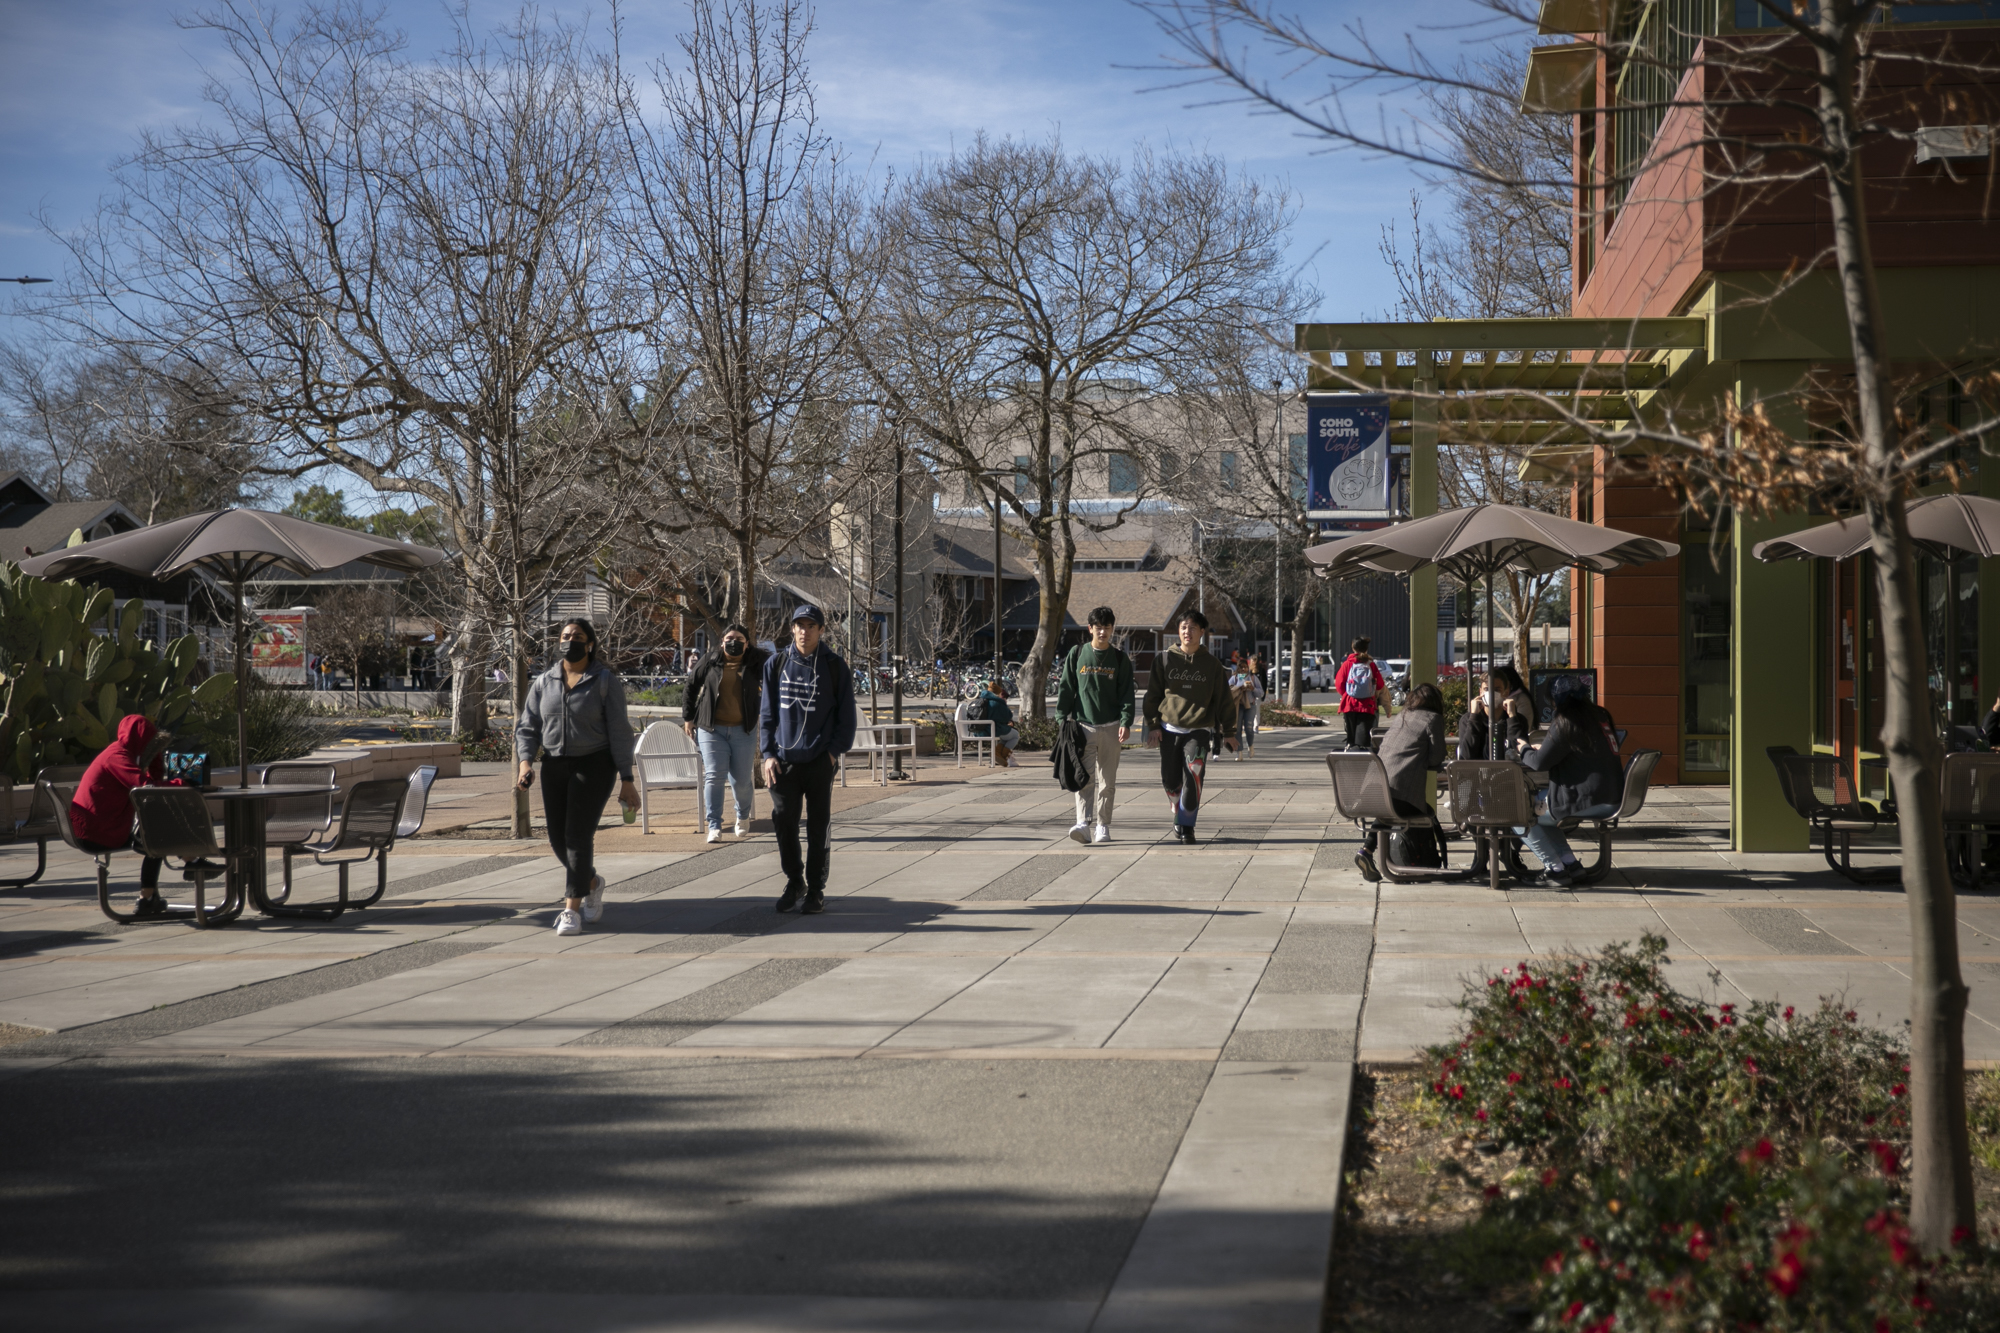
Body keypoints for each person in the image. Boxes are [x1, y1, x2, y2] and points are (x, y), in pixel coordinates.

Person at [516, 619, 638, 937]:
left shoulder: (604, 681)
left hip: (595, 764)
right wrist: (525, 763)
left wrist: (627, 778)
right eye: (566, 636)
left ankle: (571, 911)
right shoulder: (544, 682)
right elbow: (527, 727)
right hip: (554, 764)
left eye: (578, 636)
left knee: (577, 835)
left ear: (590, 644)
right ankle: (591, 882)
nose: (570, 640)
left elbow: (620, 732)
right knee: (557, 839)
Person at [761, 604, 859, 914]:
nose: (805, 631)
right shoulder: (776, 664)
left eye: (811, 626)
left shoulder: (834, 665)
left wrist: (832, 752)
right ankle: (795, 881)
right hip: (783, 761)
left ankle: (816, 889)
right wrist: (768, 754)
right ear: (792, 629)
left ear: (821, 630)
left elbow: (847, 716)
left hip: (819, 759)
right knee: (784, 822)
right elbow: (767, 715)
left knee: (818, 826)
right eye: (800, 625)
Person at [1142, 608, 1238, 845]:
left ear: (1202, 632)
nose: (1188, 632)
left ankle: (1187, 825)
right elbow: (1152, 696)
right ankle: (1176, 806)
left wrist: (1230, 732)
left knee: (1194, 775)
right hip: (1168, 729)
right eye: (1184, 627)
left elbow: (1224, 700)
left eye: (1193, 628)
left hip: (1199, 730)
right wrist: (1153, 725)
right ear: (1178, 631)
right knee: (1170, 779)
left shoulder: (1212, 665)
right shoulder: (1164, 660)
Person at [1517, 689, 1626, 886]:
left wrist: (1524, 748)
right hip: (1609, 795)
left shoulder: (1566, 721)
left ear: (1556, 701)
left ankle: (1555, 870)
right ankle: (1570, 863)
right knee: (1537, 809)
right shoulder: (1598, 716)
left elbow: (1538, 763)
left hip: (1587, 799)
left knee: (1517, 809)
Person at [71, 715, 174, 914]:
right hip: (96, 834)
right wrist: (182, 784)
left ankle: (153, 894)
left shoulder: (119, 752)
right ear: (140, 740)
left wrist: (154, 755)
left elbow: (153, 779)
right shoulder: (117, 757)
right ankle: (148, 898)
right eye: (149, 742)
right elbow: (145, 787)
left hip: (96, 827)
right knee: (157, 837)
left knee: (155, 831)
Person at [683, 624, 769, 843]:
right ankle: (714, 825)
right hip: (712, 729)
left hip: (744, 730)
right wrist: (688, 717)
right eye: (729, 638)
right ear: (722, 641)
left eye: (739, 639)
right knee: (714, 776)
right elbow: (691, 686)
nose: (734, 642)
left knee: (741, 781)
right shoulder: (710, 660)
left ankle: (742, 815)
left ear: (747, 644)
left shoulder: (756, 663)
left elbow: (776, 679)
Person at [1356, 681, 1448, 881]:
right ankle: (1424, 861)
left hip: (1374, 790)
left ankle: (1367, 850)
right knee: (1424, 812)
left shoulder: (1403, 715)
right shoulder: (1433, 718)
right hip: (1400, 794)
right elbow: (1437, 757)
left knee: (1390, 807)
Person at [1057, 606, 1134, 844]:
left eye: (1107, 627)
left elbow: (1127, 694)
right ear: (1090, 628)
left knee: (1107, 782)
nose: (1103, 632)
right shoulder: (1077, 653)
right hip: (1083, 727)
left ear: (1112, 629)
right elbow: (1066, 687)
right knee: (1085, 778)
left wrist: (1125, 722)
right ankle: (1083, 823)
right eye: (1098, 627)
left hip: (1111, 728)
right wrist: (1061, 718)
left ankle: (1103, 826)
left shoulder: (1119, 659)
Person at [1334, 637, 1387, 752]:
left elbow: (1339, 683)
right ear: (1366, 649)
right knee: (1363, 739)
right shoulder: (1371, 664)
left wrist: (1348, 693)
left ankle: (1350, 752)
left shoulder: (1347, 664)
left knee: (1351, 737)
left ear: (1353, 648)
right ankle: (1361, 755)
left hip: (1350, 704)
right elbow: (1380, 684)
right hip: (1367, 705)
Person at [1228, 654, 1266, 761]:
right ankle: (1239, 753)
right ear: (1238, 668)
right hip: (1238, 706)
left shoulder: (1253, 678)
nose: (1243, 669)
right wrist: (1238, 687)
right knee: (1237, 729)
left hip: (1250, 705)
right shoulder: (1234, 678)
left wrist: (1252, 688)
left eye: (1245, 667)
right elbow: (1227, 691)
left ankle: (1250, 746)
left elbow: (1261, 693)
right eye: (1241, 667)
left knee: (1249, 729)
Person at [977, 677, 1020, 768]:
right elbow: (1008, 717)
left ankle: (997, 753)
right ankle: (1003, 756)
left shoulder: (979, 701)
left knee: (1005, 737)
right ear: (998, 693)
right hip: (992, 730)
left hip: (979, 731)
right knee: (1015, 735)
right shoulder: (997, 703)